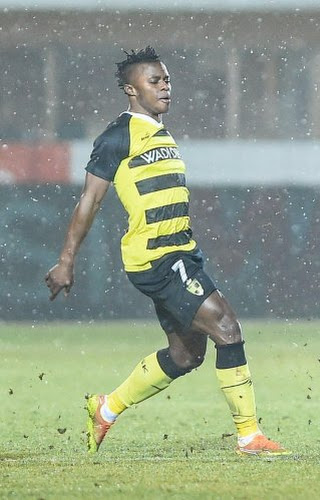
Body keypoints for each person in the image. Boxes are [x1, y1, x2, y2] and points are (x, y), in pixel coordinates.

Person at [44, 47, 288, 457]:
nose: (165, 87)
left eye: (167, 80)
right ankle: (249, 437)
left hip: (180, 254)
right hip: (158, 257)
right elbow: (89, 200)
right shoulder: (118, 135)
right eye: (154, 81)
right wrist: (66, 260)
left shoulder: (159, 131)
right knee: (227, 328)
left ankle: (107, 407)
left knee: (186, 354)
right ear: (130, 89)